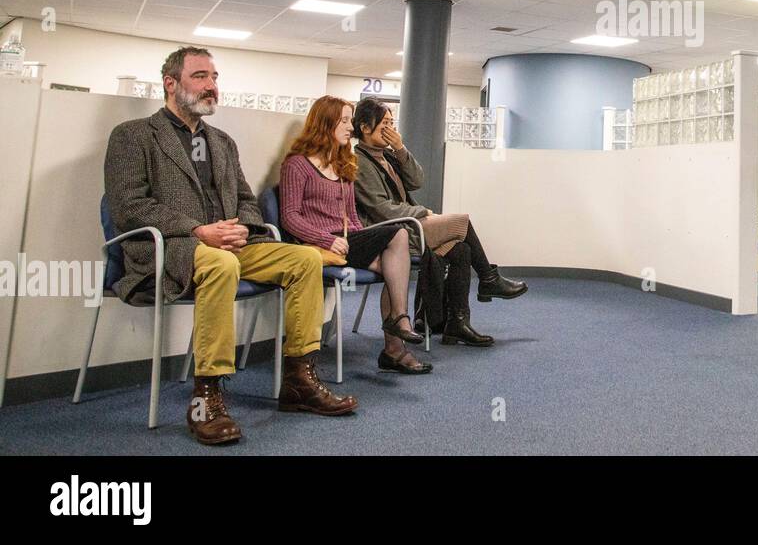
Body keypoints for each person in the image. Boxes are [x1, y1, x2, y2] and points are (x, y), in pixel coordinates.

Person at [104, 47, 358, 446]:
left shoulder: (221, 141)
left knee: (306, 258)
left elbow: (244, 198)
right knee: (221, 265)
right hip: (172, 246)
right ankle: (207, 396)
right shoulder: (133, 135)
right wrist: (199, 230)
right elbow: (128, 207)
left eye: (215, 78)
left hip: (231, 243)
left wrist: (242, 227)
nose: (212, 86)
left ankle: (298, 379)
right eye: (201, 76)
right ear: (171, 83)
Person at [350, 97, 525, 348]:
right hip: (391, 233)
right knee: (461, 221)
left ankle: (458, 323)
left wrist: (400, 150)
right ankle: (488, 279)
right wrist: (422, 212)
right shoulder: (360, 162)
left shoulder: (387, 157)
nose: (390, 130)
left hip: (407, 224)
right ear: (365, 127)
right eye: (384, 124)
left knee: (462, 250)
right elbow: (382, 211)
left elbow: (417, 180)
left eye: (392, 123)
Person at [279, 96, 431, 374]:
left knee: (394, 258)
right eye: (345, 121)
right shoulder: (296, 164)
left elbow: (352, 218)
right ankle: (397, 338)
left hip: (347, 241)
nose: (351, 128)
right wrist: (326, 239)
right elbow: (290, 218)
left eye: (351, 120)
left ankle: (397, 336)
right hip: (315, 244)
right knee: (396, 248)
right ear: (325, 122)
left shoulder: (343, 163)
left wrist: (364, 242)